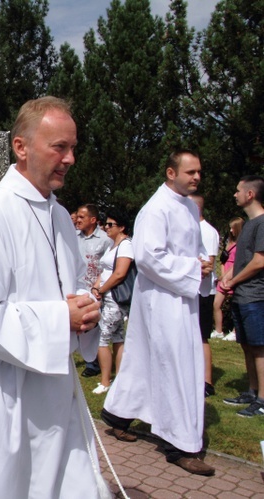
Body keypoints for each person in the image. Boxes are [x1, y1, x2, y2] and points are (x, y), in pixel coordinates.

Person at [0, 97, 107, 497]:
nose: (69, 158)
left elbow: (71, 287)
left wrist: (85, 310)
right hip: (1, 392)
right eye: (59, 147)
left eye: (73, 147)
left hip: (54, 386)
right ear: (21, 146)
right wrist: (58, 319)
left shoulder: (62, 218)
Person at [102, 150, 215, 476]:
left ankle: (118, 414)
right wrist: (193, 268)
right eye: (190, 171)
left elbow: (189, 250)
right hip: (161, 301)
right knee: (176, 367)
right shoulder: (155, 209)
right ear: (170, 172)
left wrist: (202, 264)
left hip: (181, 298)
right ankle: (179, 445)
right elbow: (149, 257)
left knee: (146, 363)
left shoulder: (188, 207)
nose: (196, 177)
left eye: (199, 172)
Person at [219, 175, 264, 418]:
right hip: (242, 295)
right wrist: (228, 277)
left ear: (250, 194)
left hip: (256, 296)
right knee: (247, 346)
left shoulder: (262, 223)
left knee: (259, 348)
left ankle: (262, 400)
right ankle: (251, 391)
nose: (235, 194)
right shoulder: (247, 225)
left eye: (238, 190)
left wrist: (234, 280)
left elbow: (260, 261)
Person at [90, 212, 133, 394]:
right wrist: (96, 287)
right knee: (117, 337)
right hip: (107, 296)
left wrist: (102, 289)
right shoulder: (112, 246)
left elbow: (119, 273)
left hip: (115, 298)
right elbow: (106, 270)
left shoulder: (126, 245)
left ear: (121, 227)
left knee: (102, 338)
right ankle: (119, 380)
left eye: (110, 224)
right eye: (105, 225)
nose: (106, 227)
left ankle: (106, 381)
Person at [75, 203, 113, 378]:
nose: (78, 219)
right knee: (84, 325)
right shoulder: (74, 237)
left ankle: (98, 362)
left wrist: (100, 286)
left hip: (98, 289)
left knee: (99, 326)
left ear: (93, 220)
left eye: (82, 217)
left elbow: (109, 265)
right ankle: (90, 360)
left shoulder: (105, 240)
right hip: (79, 288)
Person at [190, 194, 220, 397]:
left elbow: (208, 265)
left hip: (202, 291)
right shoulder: (192, 229)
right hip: (191, 290)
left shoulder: (207, 231)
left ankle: (207, 381)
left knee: (201, 336)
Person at [212, 217, 244, 340]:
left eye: (233, 228)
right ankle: (218, 330)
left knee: (236, 304)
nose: (230, 230)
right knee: (216, 304)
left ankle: (236, 331)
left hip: (235, 274)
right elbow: (223, 260)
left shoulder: (241, 244)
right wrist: (223, 276)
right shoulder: (228, 243)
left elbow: (239, 262)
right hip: (225, 273)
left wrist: (228, 277)